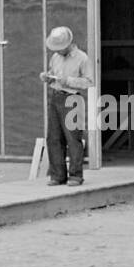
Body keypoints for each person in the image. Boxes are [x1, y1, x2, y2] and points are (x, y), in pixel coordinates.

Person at [40, 26, 93, 185]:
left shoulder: (82, 58)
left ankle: (76, 175)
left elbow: (89, 81)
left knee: (73, 138)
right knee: (53, 138)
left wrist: (68, 81)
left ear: (68, 44)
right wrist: (47, 77)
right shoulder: (55, 57)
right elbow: (52, 73)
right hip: (55, 96)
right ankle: (57, 175)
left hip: (73, 98)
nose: (58, 51)